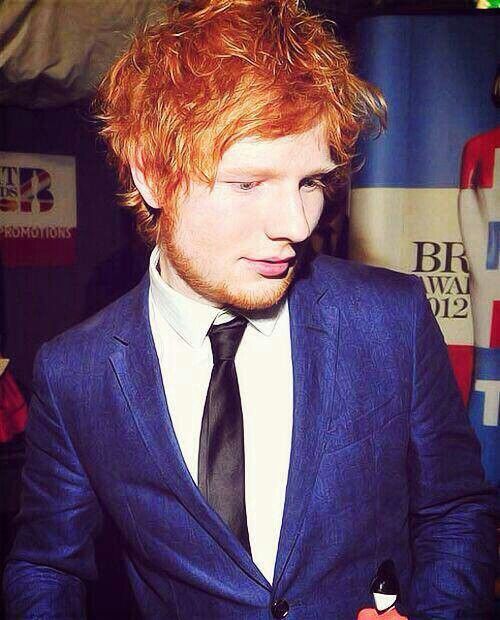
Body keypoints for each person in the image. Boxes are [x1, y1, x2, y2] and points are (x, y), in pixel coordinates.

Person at [3, 1, 497, 618]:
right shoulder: (76, 372)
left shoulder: (389, 320)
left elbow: (456, 510)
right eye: (247, 184)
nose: (295, 225)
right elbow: (46, 565)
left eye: (310, 182)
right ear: (153, 178)